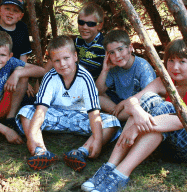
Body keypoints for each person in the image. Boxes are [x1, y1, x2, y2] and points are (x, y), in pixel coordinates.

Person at [83, 38, 187, 192]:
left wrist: (137, 127)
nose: (175, 67)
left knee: (167, 108)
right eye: (171, 60)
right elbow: (135, 100)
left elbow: (183, 120)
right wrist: (136, 109)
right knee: (147, 100)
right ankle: (110, 166)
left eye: (182, 61)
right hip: (167, 145)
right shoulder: (166, 81)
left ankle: (121, 173)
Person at [17, 35, 121, 172]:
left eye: (66, 58)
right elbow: (41, 110)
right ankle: (40, 151)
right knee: (26, 112)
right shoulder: (50, 77)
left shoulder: (85, 78)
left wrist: (97, 140)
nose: (62, 64)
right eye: (57, 60)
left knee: (112, 122)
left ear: (75, 57)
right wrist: (31, 137)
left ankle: (81, 152)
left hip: (80, 117)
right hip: (55, 115)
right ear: (52, 62)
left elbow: (93, 112)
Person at [95, 29, 157, 121]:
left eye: (120, 49)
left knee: (142, 105)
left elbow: (149, 96)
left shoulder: (142, 67)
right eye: (112, 52)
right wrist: (105, 70)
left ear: (130, 48)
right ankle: (119, 116)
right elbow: (98, 91)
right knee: (98, 98)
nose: (117, 55)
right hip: (120, 104)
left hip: (138, 105)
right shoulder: (115, 67)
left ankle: (116, 117)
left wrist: (125, 103)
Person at [75, 2, 106, 80]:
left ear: (100, 26)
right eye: (81, 22)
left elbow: (78, 70)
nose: (85, 27)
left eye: (91, 24)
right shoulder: (79, 40)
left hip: (95, 86)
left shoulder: (101, 45)